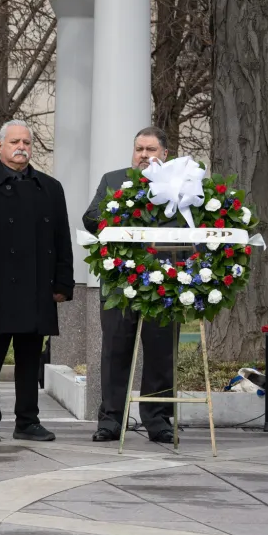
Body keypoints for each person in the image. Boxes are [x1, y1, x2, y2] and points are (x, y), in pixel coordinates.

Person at [0, 120, 73, 443]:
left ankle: (27, 420)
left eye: (26, 142)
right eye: (14, 142)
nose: (21, 147)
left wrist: (63, 284)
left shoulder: (50, 188)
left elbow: (62, 239)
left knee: (29, 358)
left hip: (36, 289)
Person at [82, 126, 177, 444]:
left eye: (151, 150)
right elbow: (91, 217)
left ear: (165, 153)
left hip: (163, 284)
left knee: (162, 352)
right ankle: (111, 419)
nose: (144, 156)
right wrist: (119, 211)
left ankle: (158, 418)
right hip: (119, 283)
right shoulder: (113, 180)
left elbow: (192, 225)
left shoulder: (180, 185)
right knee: (115, 351)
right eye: (139, 149)